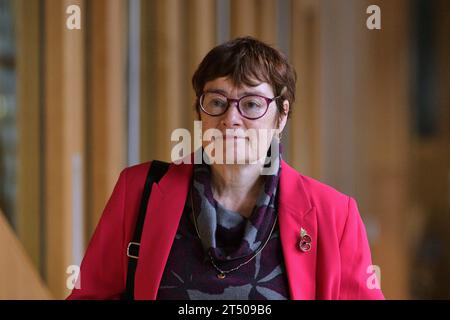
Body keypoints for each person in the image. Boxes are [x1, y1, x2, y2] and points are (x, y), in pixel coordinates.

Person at [67, 36, 384, 300]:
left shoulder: (335, 214)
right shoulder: (139, 191)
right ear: (200, 112)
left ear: (281, 115)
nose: (231, 119)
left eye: (251, 104)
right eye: (217, 102)